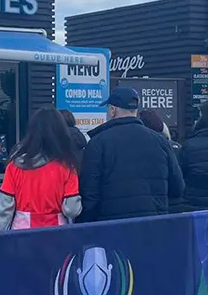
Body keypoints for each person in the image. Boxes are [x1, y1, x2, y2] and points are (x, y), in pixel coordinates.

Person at [79, 86, 184, 222]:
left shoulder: (98, 143)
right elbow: (177, 187)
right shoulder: (160, 141)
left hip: (112, 227)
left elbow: (90, 195)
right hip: (154, 225)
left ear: (112, 110)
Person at [0, 108, 81, 231]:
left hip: (22, 232)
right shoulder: (67, 166)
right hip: (56, 233)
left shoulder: (15, 165)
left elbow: (3, 208)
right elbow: (72, 210)